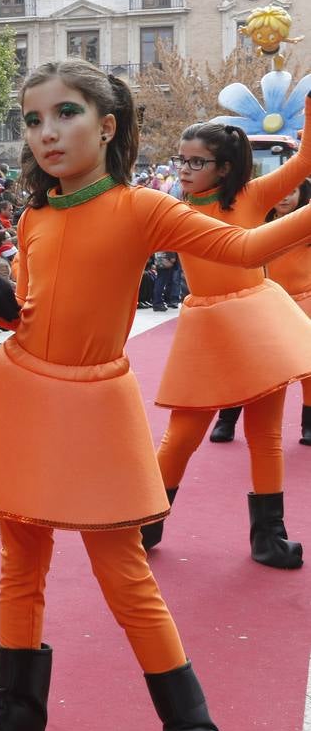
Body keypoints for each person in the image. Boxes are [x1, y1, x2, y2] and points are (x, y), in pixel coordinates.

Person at [0, 58, 311, 731]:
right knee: (20, 557)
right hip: (25, 391)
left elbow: (245, 249)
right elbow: (33, 311)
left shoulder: (142, 209)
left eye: (64, 114)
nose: (44, 133)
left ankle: (191, 726)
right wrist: (5, 307)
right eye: (33, 119)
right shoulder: (35, 216)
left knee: (122, 569)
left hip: (96, 403)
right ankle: (15, 710)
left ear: (107, 126)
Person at [140, 118, 311, 567]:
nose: (184, 169)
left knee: (266, 434)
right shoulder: (171, 208)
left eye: (197, 162)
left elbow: (306, 160)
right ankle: (146, 524)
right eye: (182, 160)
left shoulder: (251, 197)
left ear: (225, 166)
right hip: (208, 327)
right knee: (182, 434)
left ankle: (269, 537)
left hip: (259, 324)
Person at [265, 181, 311, 446]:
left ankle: (308, 425)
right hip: (270, 304)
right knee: (264, 367)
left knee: (309, 368)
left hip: (305, 302)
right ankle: (228, 419)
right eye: (279, 193)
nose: (283, 198)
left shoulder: (306, 226)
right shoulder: (260, 225)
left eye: (291, 192)